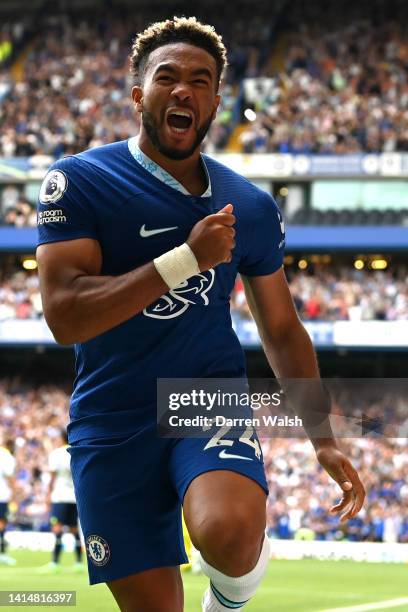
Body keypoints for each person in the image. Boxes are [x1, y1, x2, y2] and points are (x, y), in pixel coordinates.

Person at [36, 16, 365, 612]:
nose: (183, 89)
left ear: (216, 101)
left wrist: (322, 436)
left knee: (230, 532)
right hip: (110, 415)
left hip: (203, 395)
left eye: (201, 80)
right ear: (140, 94)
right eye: (167, 77)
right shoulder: (78, 181)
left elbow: (282, 329)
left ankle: (229, 596)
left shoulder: (250, 206)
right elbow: (64, 317)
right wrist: (186, 259)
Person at [37, 430, 84, 573]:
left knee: (57, 528)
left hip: (60, 496)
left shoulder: (57, 454)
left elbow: (52, 478)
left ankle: (55, 563)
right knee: (74, 529)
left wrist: (48, 496)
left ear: (61, 438)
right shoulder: (77, 452)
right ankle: (78, 563)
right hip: (74, 497)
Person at [0, 439, 16, 566]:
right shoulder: (6, 456)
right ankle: (2, 554)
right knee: (1, 525)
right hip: (2, 495)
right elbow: (10, 478)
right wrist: (15, 494)